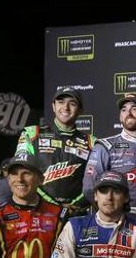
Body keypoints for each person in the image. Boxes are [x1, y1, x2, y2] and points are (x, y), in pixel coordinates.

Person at [14, 87, 94, 216]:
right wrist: (52, 205)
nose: (66, 107)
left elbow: (95, 181)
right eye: (61, 102)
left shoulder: (92, 142)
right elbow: (22, 174)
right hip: (38, 212)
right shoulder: (31, 133)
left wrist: (75, 206)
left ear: (80, 110)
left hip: (74, 215)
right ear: (53, 106)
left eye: (72, 103)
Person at [83, 94, 136, 221]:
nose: (128, 113)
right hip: (120, 219)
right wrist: (109, 215)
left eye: (134, 108)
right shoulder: (106, 146)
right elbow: (89, 188)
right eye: (124, 109)